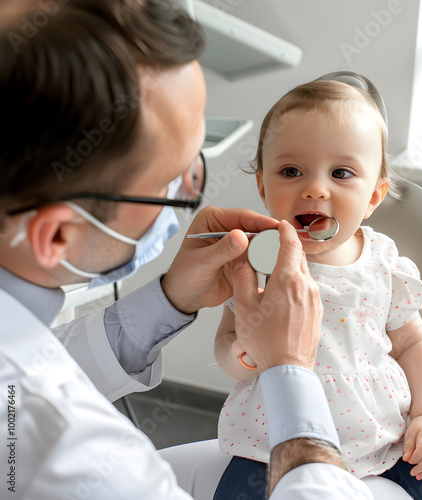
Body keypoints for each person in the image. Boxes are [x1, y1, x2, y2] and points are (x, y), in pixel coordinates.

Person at [0, 1, 376, 499]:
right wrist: (288, 369)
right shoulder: (74, 450)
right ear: (57, 237)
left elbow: (34, 368)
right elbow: (29, 397)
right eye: (175, 181)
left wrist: (171, 298)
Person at [214, 79, 422, 499]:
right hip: (273, 441)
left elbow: (411, 344)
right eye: (291, 171)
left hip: (384, 435)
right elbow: (226, 338)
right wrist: (240, 356)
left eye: (341, 173)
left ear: (373, 196)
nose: (315, 188)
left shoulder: (383, 262)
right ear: (263, 187)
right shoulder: (255, 264)